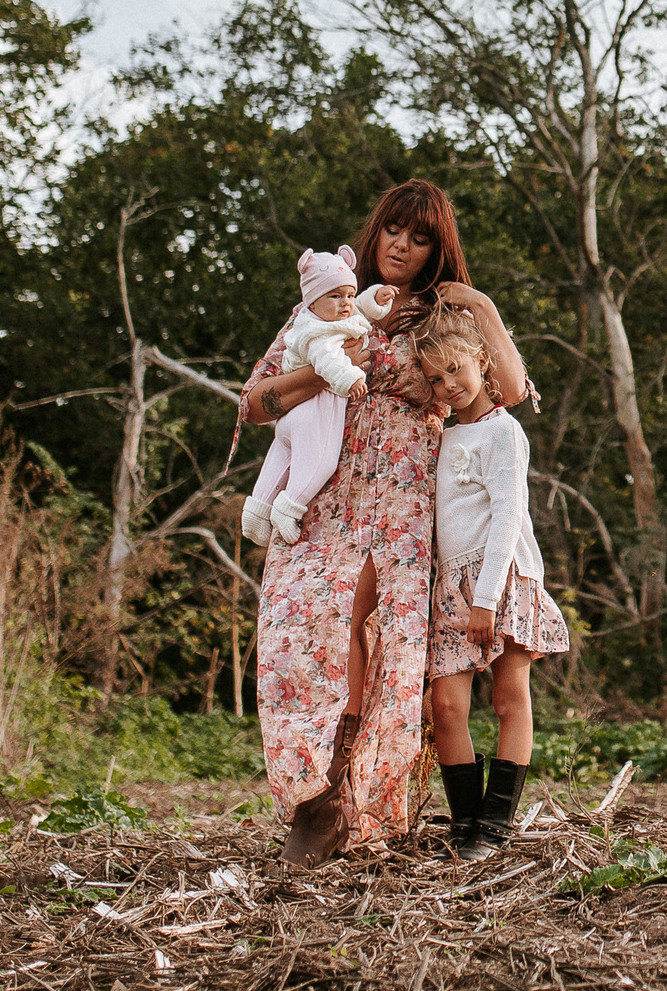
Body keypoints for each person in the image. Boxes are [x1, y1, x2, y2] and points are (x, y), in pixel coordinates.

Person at [235, 181, 531, 866]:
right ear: (376, 232)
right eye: (394, 229)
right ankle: (315, 791)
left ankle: (340, 800)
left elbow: (510, 389)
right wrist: (330, 370)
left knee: (370, 634)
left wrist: (477, 300)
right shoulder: (327, 303)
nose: (402, 244)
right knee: (295, 628)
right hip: (324, 493)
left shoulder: (443, 315)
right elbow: (255, 403)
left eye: (420, 236)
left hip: (401, 499)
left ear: (437, 250)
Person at [414, 303, 570, 859]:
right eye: (436, 378)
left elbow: (508, 513)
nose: (449, 384)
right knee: (448, 707)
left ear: (482, 362)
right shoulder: (440, 437)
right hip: (452, 585)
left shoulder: (503, 432)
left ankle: (496, 825)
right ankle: (465, 823)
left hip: (501, 579)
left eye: (456, 369)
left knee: (509, 698)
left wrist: (486, 598)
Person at [241, 246, 392, 548]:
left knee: (281, 459)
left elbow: (359, 309)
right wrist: (350, 378)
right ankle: (289, 507)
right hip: (316, 412)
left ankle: (256, 511)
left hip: (290, 418)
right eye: (336, 297)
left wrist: (376, 299)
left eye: (348, 295)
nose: (345, 303)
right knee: (320, 462)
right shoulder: (317, 331)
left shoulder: (324, 317)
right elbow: (327, 360)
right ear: (312, 299)